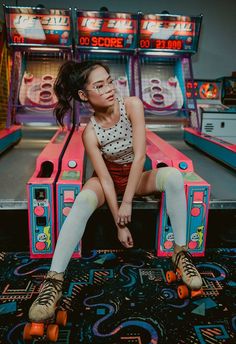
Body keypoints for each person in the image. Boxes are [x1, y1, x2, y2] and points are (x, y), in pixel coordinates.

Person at [28, 61, 202, 322]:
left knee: (175, 177)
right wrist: (119, 224)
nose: (109, 88)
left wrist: (128, 202)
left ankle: (180, 253)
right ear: (83, 96)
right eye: (99, 85)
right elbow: (106, 180)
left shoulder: (132, 105)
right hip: (106, 179)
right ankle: (53, 281)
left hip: (136, 175)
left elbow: (140, 154)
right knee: (84, 200)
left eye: (109, 81)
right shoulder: (90, 133)